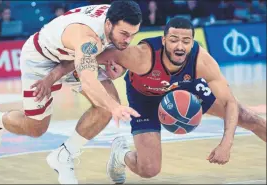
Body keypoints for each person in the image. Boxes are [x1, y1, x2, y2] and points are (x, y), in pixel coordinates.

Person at [26, 17, 266, 184]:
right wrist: (51, 77)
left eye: (186, 41)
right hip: (145, 96)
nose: (180, 45)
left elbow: (231, 102)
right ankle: (120, 154)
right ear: (163, 41)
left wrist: (226, 144)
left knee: (248, 117)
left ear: (192, 42)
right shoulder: (140, 56)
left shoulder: (201, 60)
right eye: (173, 40)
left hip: (185, 88)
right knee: (149, 170)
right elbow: (87, 56)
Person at [0, 1, 142, 184]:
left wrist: (119, 69)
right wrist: (115, 107)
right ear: (109, 24)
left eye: (133, 35)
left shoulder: (115, 14)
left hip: (72, 57)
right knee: (35, 127)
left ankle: (63, 156)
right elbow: (88, 80)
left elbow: (91, 57)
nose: (128, 40)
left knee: (105, 104)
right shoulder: (89, 38)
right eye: (125, 34)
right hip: (42, 57)